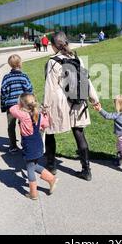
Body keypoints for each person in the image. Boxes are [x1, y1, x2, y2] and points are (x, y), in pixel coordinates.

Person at [43, 32, 100, 181]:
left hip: (61, 102)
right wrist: (95, 99)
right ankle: (86, 170)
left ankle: (51, 166)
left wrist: (45, 107)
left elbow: (50, 87)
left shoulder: (53, 62)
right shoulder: (77, 58)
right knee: (79, 134)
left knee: (49, 132)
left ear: (54, 45)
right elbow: (86, 81)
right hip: (78, 102)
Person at [9, 94, 58, 200]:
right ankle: (51, 179)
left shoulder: (23, 115)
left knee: (30, 168)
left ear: (22, 105)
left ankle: (33, 193)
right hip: (38, 145)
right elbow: (45, 124)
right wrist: (43, 115)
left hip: (29, 147)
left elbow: (12, 109)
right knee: (33, 165)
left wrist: (19, 105)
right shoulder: (38, 114)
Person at [94, 95, 122, 175]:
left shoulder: (117, 114)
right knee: (118, 146)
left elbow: (107, 116)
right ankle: (119, 159)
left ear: (117, 105)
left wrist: (100, 109)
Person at [0, 54, 34, 154]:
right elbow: (29, 90)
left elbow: (3, 93)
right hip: (23, 105)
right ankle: (25, 144)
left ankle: (13, 146)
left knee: (11, 126)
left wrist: (3, 106)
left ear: (10, 65)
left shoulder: (6, 77)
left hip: (10, 106)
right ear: (20, 63)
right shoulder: (24, 77)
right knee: (24, 124)